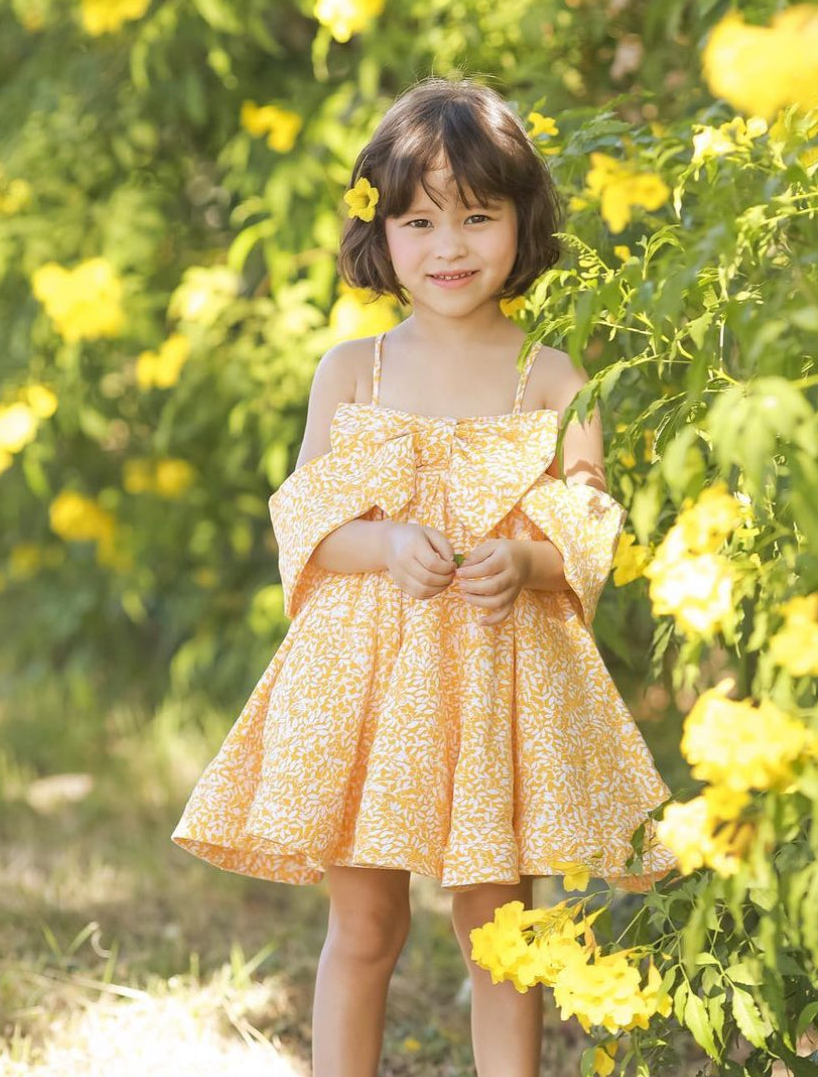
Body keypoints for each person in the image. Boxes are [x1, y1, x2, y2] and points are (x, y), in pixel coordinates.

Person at [172, 76, 678, 1077]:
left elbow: (592, 518)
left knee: (502, 931)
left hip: (496, 678)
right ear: (382, 233)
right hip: (367, 680)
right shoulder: (352, 372)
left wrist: (528, 558)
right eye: (419, 220)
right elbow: (308, 523)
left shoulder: (551, 374)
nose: (450, 247)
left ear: (522, 225)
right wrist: (389, 545)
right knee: (365, 923)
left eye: (478, 218)